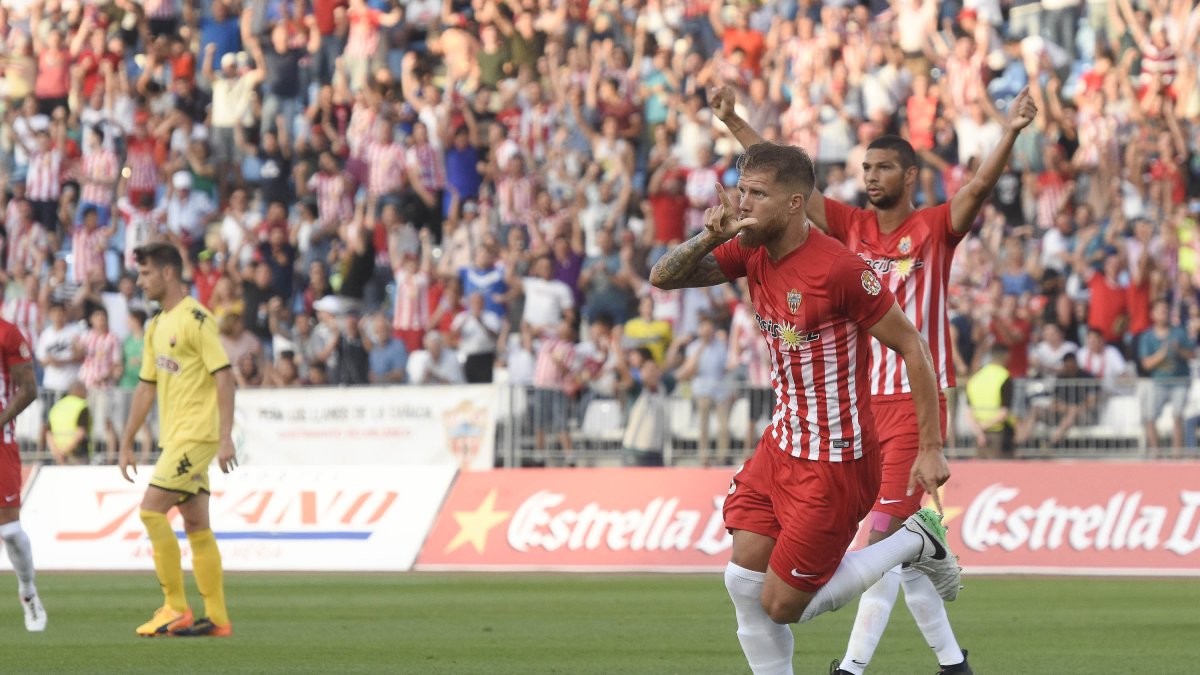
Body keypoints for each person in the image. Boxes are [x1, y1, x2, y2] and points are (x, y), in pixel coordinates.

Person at [713, 83, 1037, 675]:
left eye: (884, 167)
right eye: (865, 167)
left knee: (879, 540)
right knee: (879, 558)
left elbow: (978, 188)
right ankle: (952, 661)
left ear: (910, 175)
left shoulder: (936, 227)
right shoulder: (849, 226)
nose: (870, 176)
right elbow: (784, 184)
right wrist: (735, 123)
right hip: (858, 399)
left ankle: (853, 666)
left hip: (910, 405)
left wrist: (1010, 133)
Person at [649, 142, 959, 675]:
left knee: (781, 606)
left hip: (836, 461)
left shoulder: (840, 270)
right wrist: (709, 235)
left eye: (757, 195)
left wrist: (929, 446)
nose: (743, 204)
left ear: (795, 204)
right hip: (782, 444)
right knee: (741, 581)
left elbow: (914, 347)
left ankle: (914, 540)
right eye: (741, 191)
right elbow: (664, 277)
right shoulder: (749, 246)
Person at [119, 243, 237, 638]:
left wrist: (225, 438)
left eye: (146, 273)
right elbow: (145, 388)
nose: (141, 281)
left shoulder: (197, 319)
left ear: (168, 273)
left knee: (152, 510)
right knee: (196, 523)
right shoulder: (155, 326)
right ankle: (217, 618)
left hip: (197, 434)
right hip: (176, 438)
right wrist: (126, 440)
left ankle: (174, 607)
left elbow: (224, 375)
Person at [0, 317, 46, 631]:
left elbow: (29, 389)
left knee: (11, 531)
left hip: (1, 442)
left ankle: (28, 593)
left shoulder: (8, 333)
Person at [47, 380, 90, 464]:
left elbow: (49, 434)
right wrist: (64, 452)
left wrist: (57, 453)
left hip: (59, 457)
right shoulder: (82, 406)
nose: (87, 393)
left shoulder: (57, 406)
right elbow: (81, 432)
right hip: (78, 455)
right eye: (85, 390)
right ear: (78, 390)